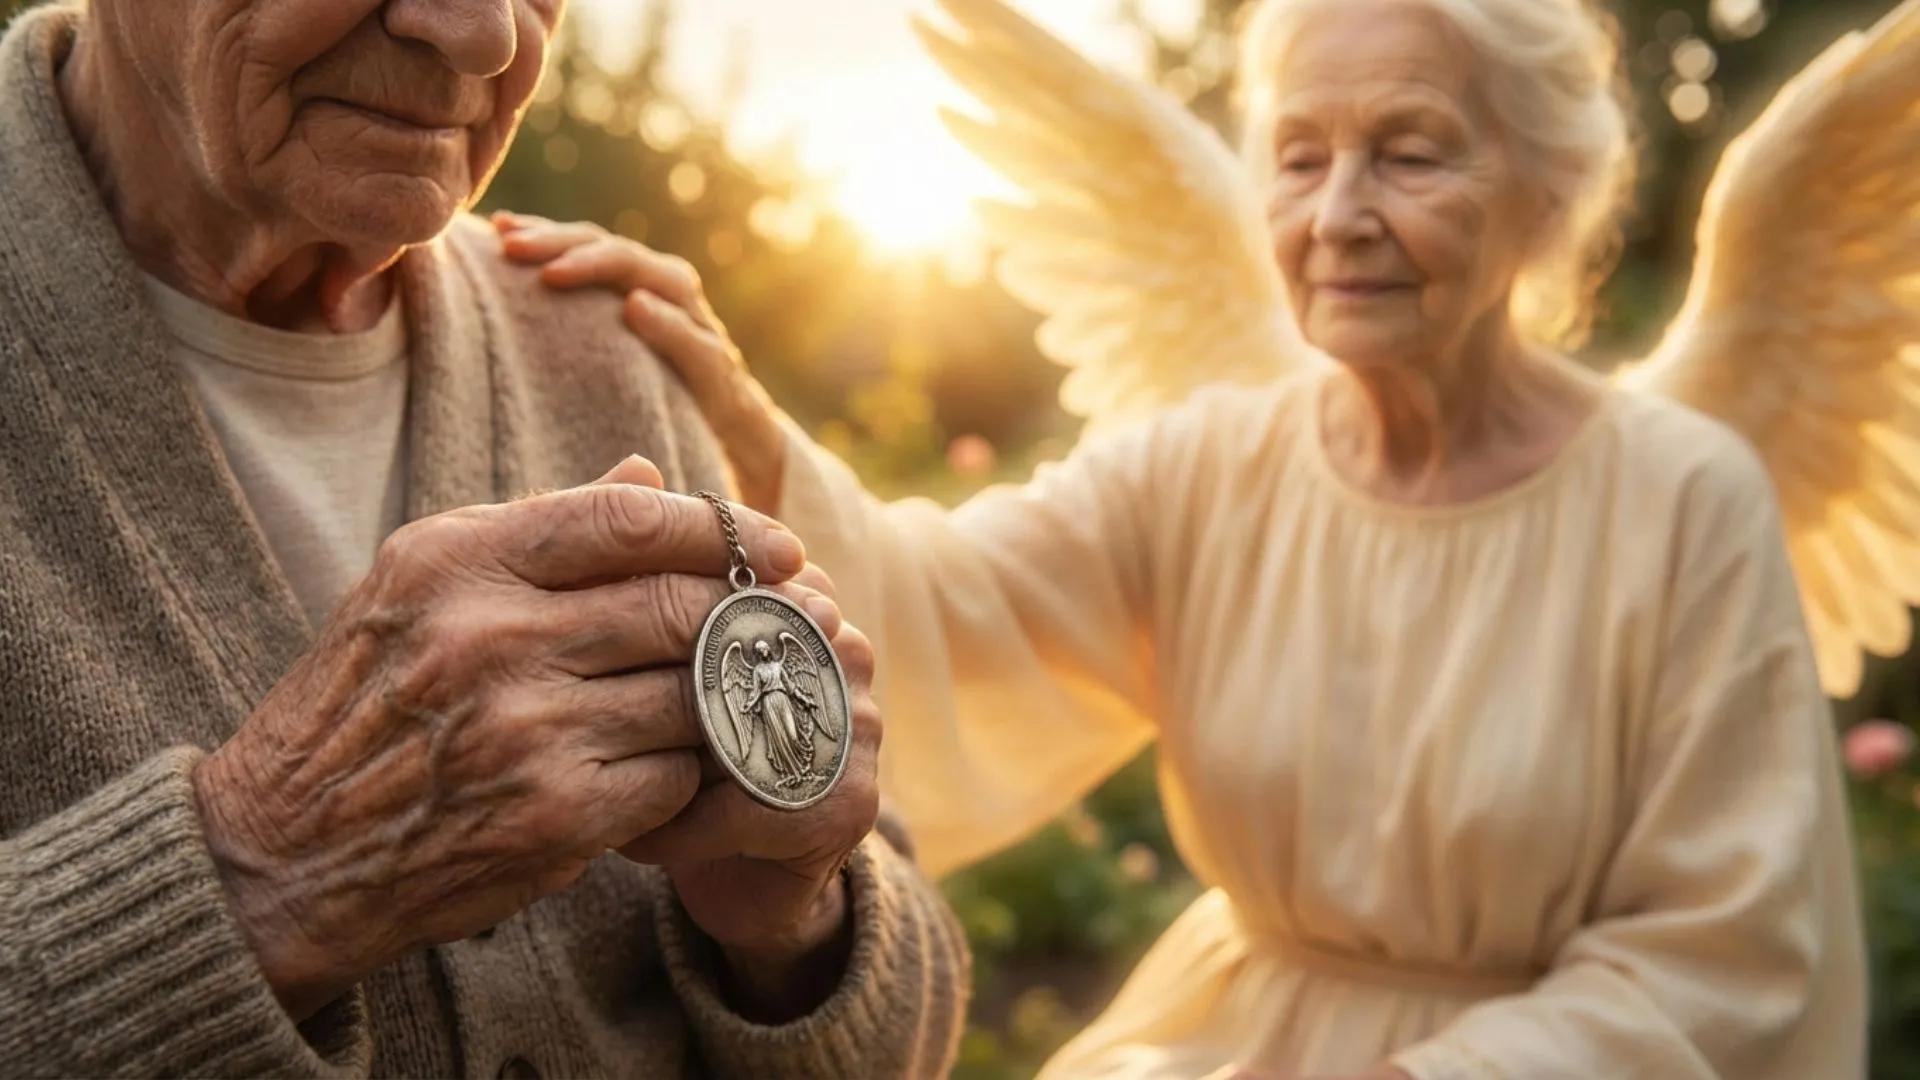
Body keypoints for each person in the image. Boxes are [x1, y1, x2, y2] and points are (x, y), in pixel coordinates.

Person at [496, 0, 1872, 1075]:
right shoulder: (1215, 458)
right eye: (1298, 157)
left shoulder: (1688, 496)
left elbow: (1733, 951)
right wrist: (741, 419)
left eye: (1407, 152)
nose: (1336, 220)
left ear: (1546, 190)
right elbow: (937, 612)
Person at [0, 1, 969, 1077]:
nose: (487, 38)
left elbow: (908, 1028)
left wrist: (795, 930)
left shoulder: (605, 342)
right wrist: (262, 874)